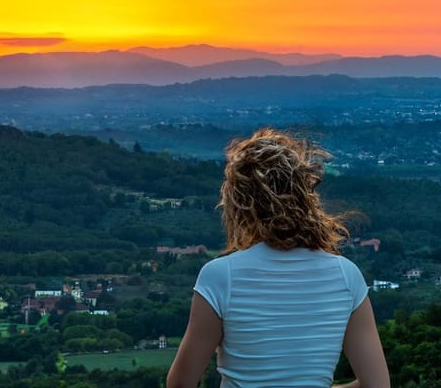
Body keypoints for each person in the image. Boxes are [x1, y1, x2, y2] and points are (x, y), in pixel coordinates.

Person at [166, 128, 389, 388]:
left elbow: (180, 384)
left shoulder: (219, 276)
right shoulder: (346, 276)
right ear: (306, 195)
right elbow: (377, 385)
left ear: (238, 203)